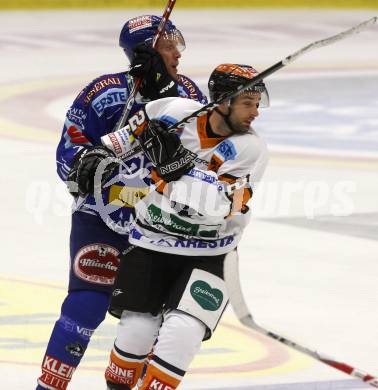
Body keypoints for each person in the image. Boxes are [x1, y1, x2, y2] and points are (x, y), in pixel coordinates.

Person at [36, 15, 207, 390]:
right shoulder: (106, 92)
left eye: (178, 43)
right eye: (168, 44)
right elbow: (69, 151)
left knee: (152, 315)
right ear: (146, 49)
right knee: (87, 301)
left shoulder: (191, 95)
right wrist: (89, 163)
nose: (177, 52)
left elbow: (207, 156)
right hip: (102, 215)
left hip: (160, 221)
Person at [104, 63, 269, 389]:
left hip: (212, 253)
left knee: (183, 332)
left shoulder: (251, 149)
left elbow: (215, 206)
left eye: (257, 103)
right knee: (135, 335)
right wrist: (96, 155)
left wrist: (172, 167)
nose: (256, 113)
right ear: (223, 101)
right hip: (151, 241)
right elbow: (121, 140)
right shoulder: (175, 111)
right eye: (248, 103)